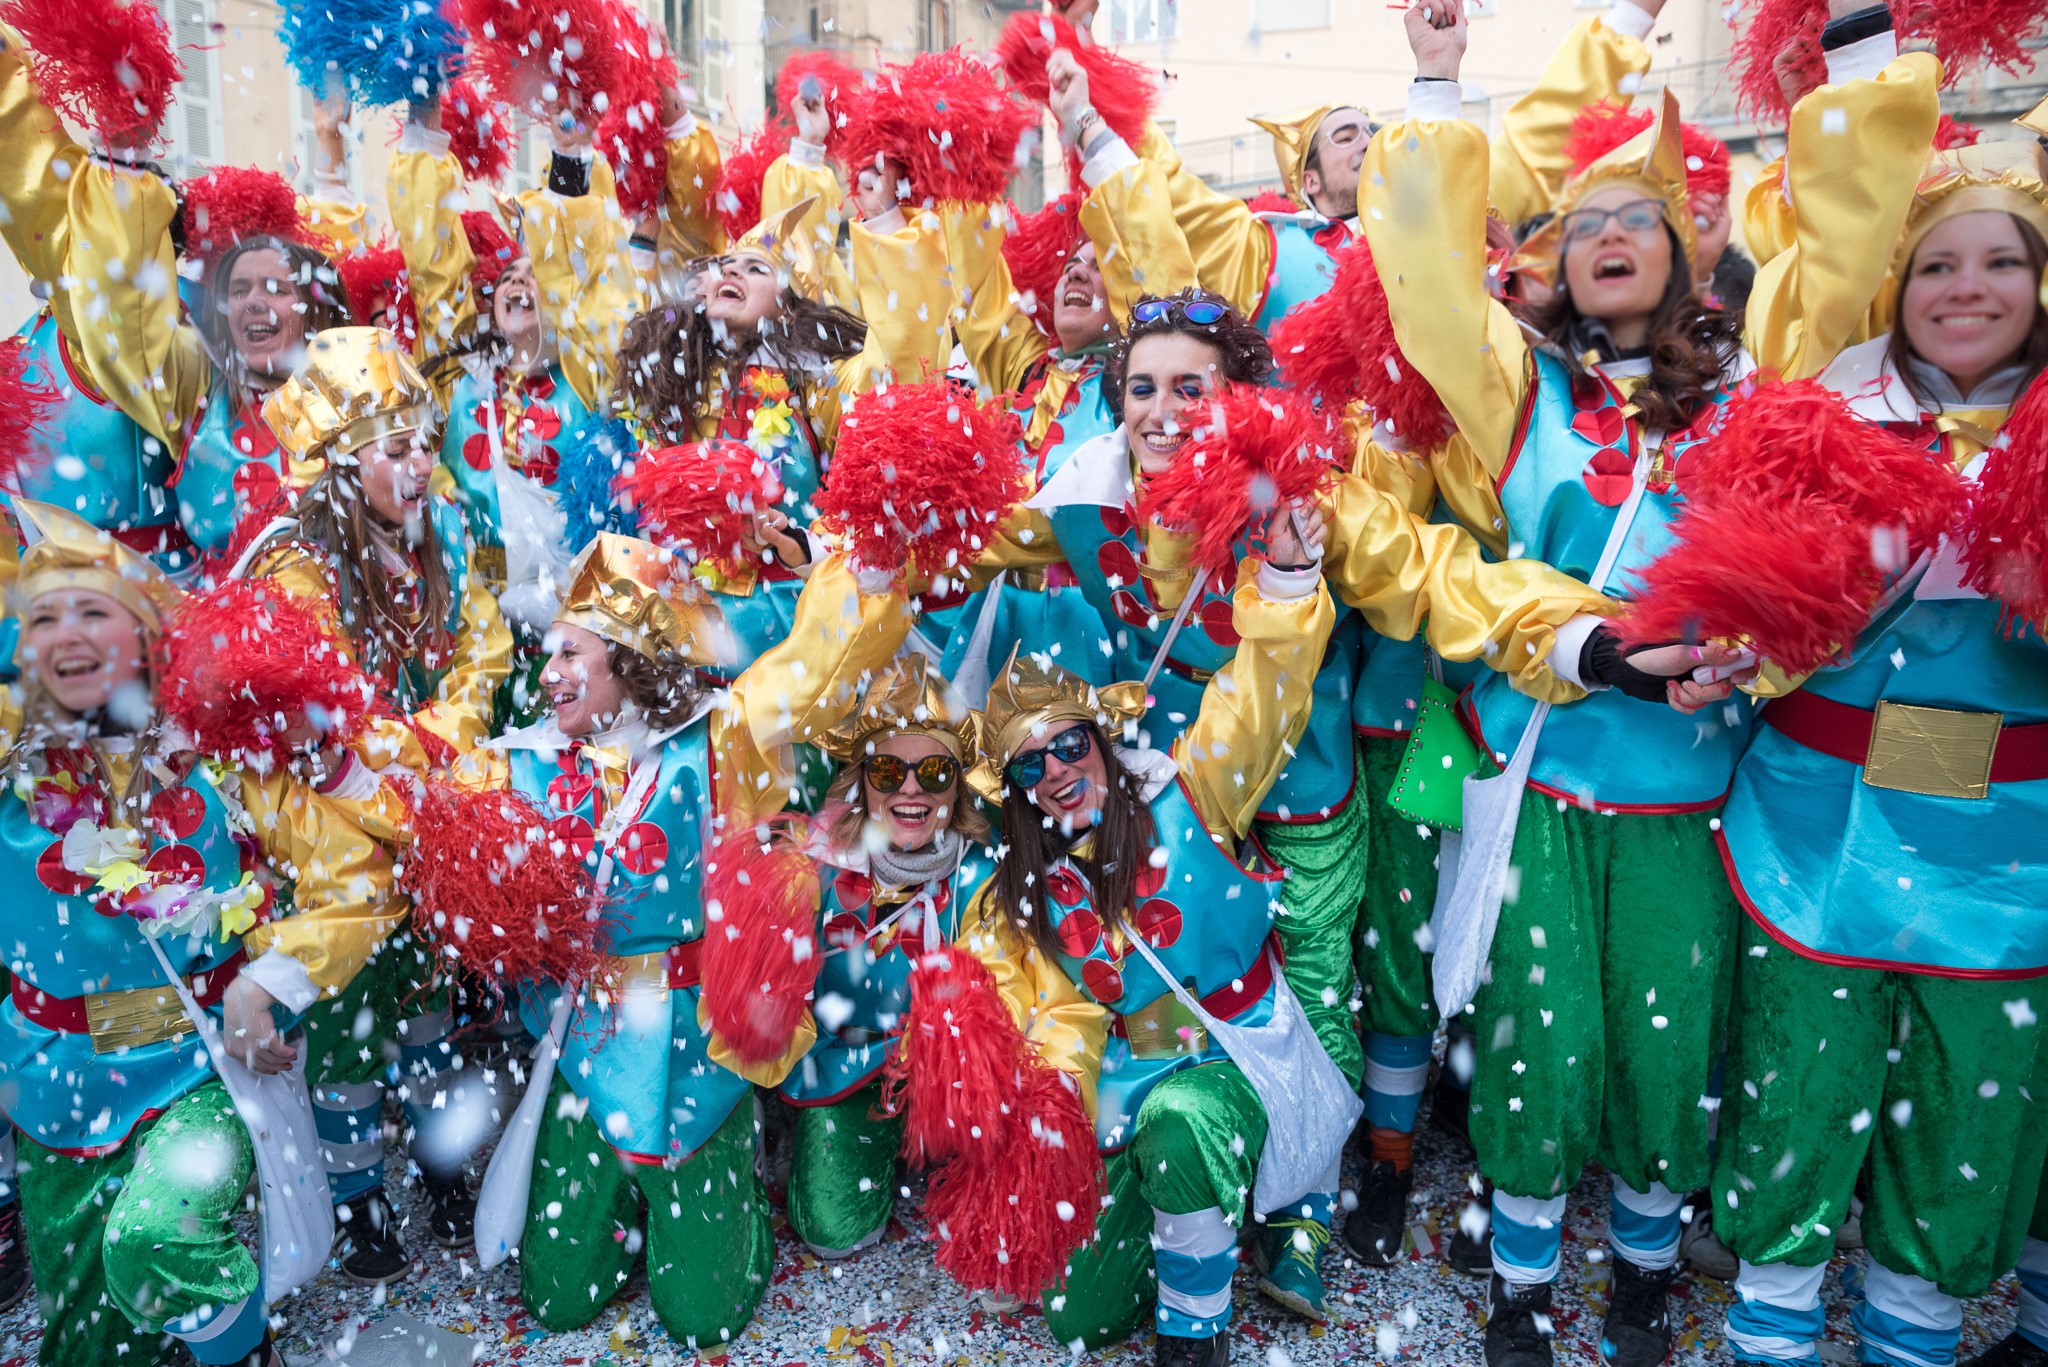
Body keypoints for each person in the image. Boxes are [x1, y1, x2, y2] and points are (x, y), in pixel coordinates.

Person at [1364, 7, 1766, 1362]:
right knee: (1538, 1042)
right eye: (1581, 221)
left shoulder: (1747, 401)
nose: (1605, 236)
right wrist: (1436, 85)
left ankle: (1643, 1269)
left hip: (1687, 798)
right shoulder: (1522, 390)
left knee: (1665, 1044)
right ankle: (1523, 1280)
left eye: (1634, 218)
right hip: (1544, 779)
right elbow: (1427, 286)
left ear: (1682, 250)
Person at [1694, 10, 2048, 1364]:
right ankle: (1771, 1318)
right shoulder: (1828, 408)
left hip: (2006, 856)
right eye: (1937, 263)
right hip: (1814, 826)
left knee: (1966, 1110)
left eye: (2001, 261)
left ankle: (1915, 1326)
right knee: (1799, 1081)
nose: (1966, 287)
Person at [447, 535, 910, 1347]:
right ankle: (627, 1211)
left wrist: (864, 577)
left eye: (570, 653)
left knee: (704, 1315)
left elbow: (812, 667)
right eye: (547, 653)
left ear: (629, 657)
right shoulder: (520, 764)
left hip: (696, 1055)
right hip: (587, 1047)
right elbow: (413, 803)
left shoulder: (719, 739)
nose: (547, 673)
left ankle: (724, 1197)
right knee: (557, 1298)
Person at [0, 499, 399, 1367]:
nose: (69, 638)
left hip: (202, 1066)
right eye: (44, 619)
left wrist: (268, 982)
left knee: (156, 1239)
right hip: (57, 1087)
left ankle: (251, 1353)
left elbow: (358, 880)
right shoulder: (11, 772)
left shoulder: (221, 754)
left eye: (93, 613)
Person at [944, 520, 1337, 1367]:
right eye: (1030, 765)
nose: (1056, 769)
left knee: (1179, 1121)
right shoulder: (1027, 891)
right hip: (1128, 1089)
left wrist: (1289, 575)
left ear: (1101, 739)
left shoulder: (1191, 790)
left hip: (1240, 1059)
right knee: (1077, 1317)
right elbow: (1033, 1014)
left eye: (1069, 744)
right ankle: (1210, 1219)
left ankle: (1195, 1331)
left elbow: (1264, 692)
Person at [234, 325, 512, 1280]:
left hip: (422, 800)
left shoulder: (442, 533)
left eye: (425, 443)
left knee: (426, 1007)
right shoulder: (295, 566)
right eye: (396, 448)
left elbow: (482, 652)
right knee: (350, 1017)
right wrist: (401, 775)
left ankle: (440, 1164)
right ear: (343, 465)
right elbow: (332, 718)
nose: (422, 463)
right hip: (336, 822)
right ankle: (357, 1199)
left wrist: (441, 744)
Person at [708, 653, 992, 1260]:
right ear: (863, 781)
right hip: (853, 1068)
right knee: (831, 1230)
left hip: (954, 1075)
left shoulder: (982, 878)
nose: (910, 789)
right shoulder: (814, 869)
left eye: (934, 771)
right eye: (888, 770)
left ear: (958, 784)